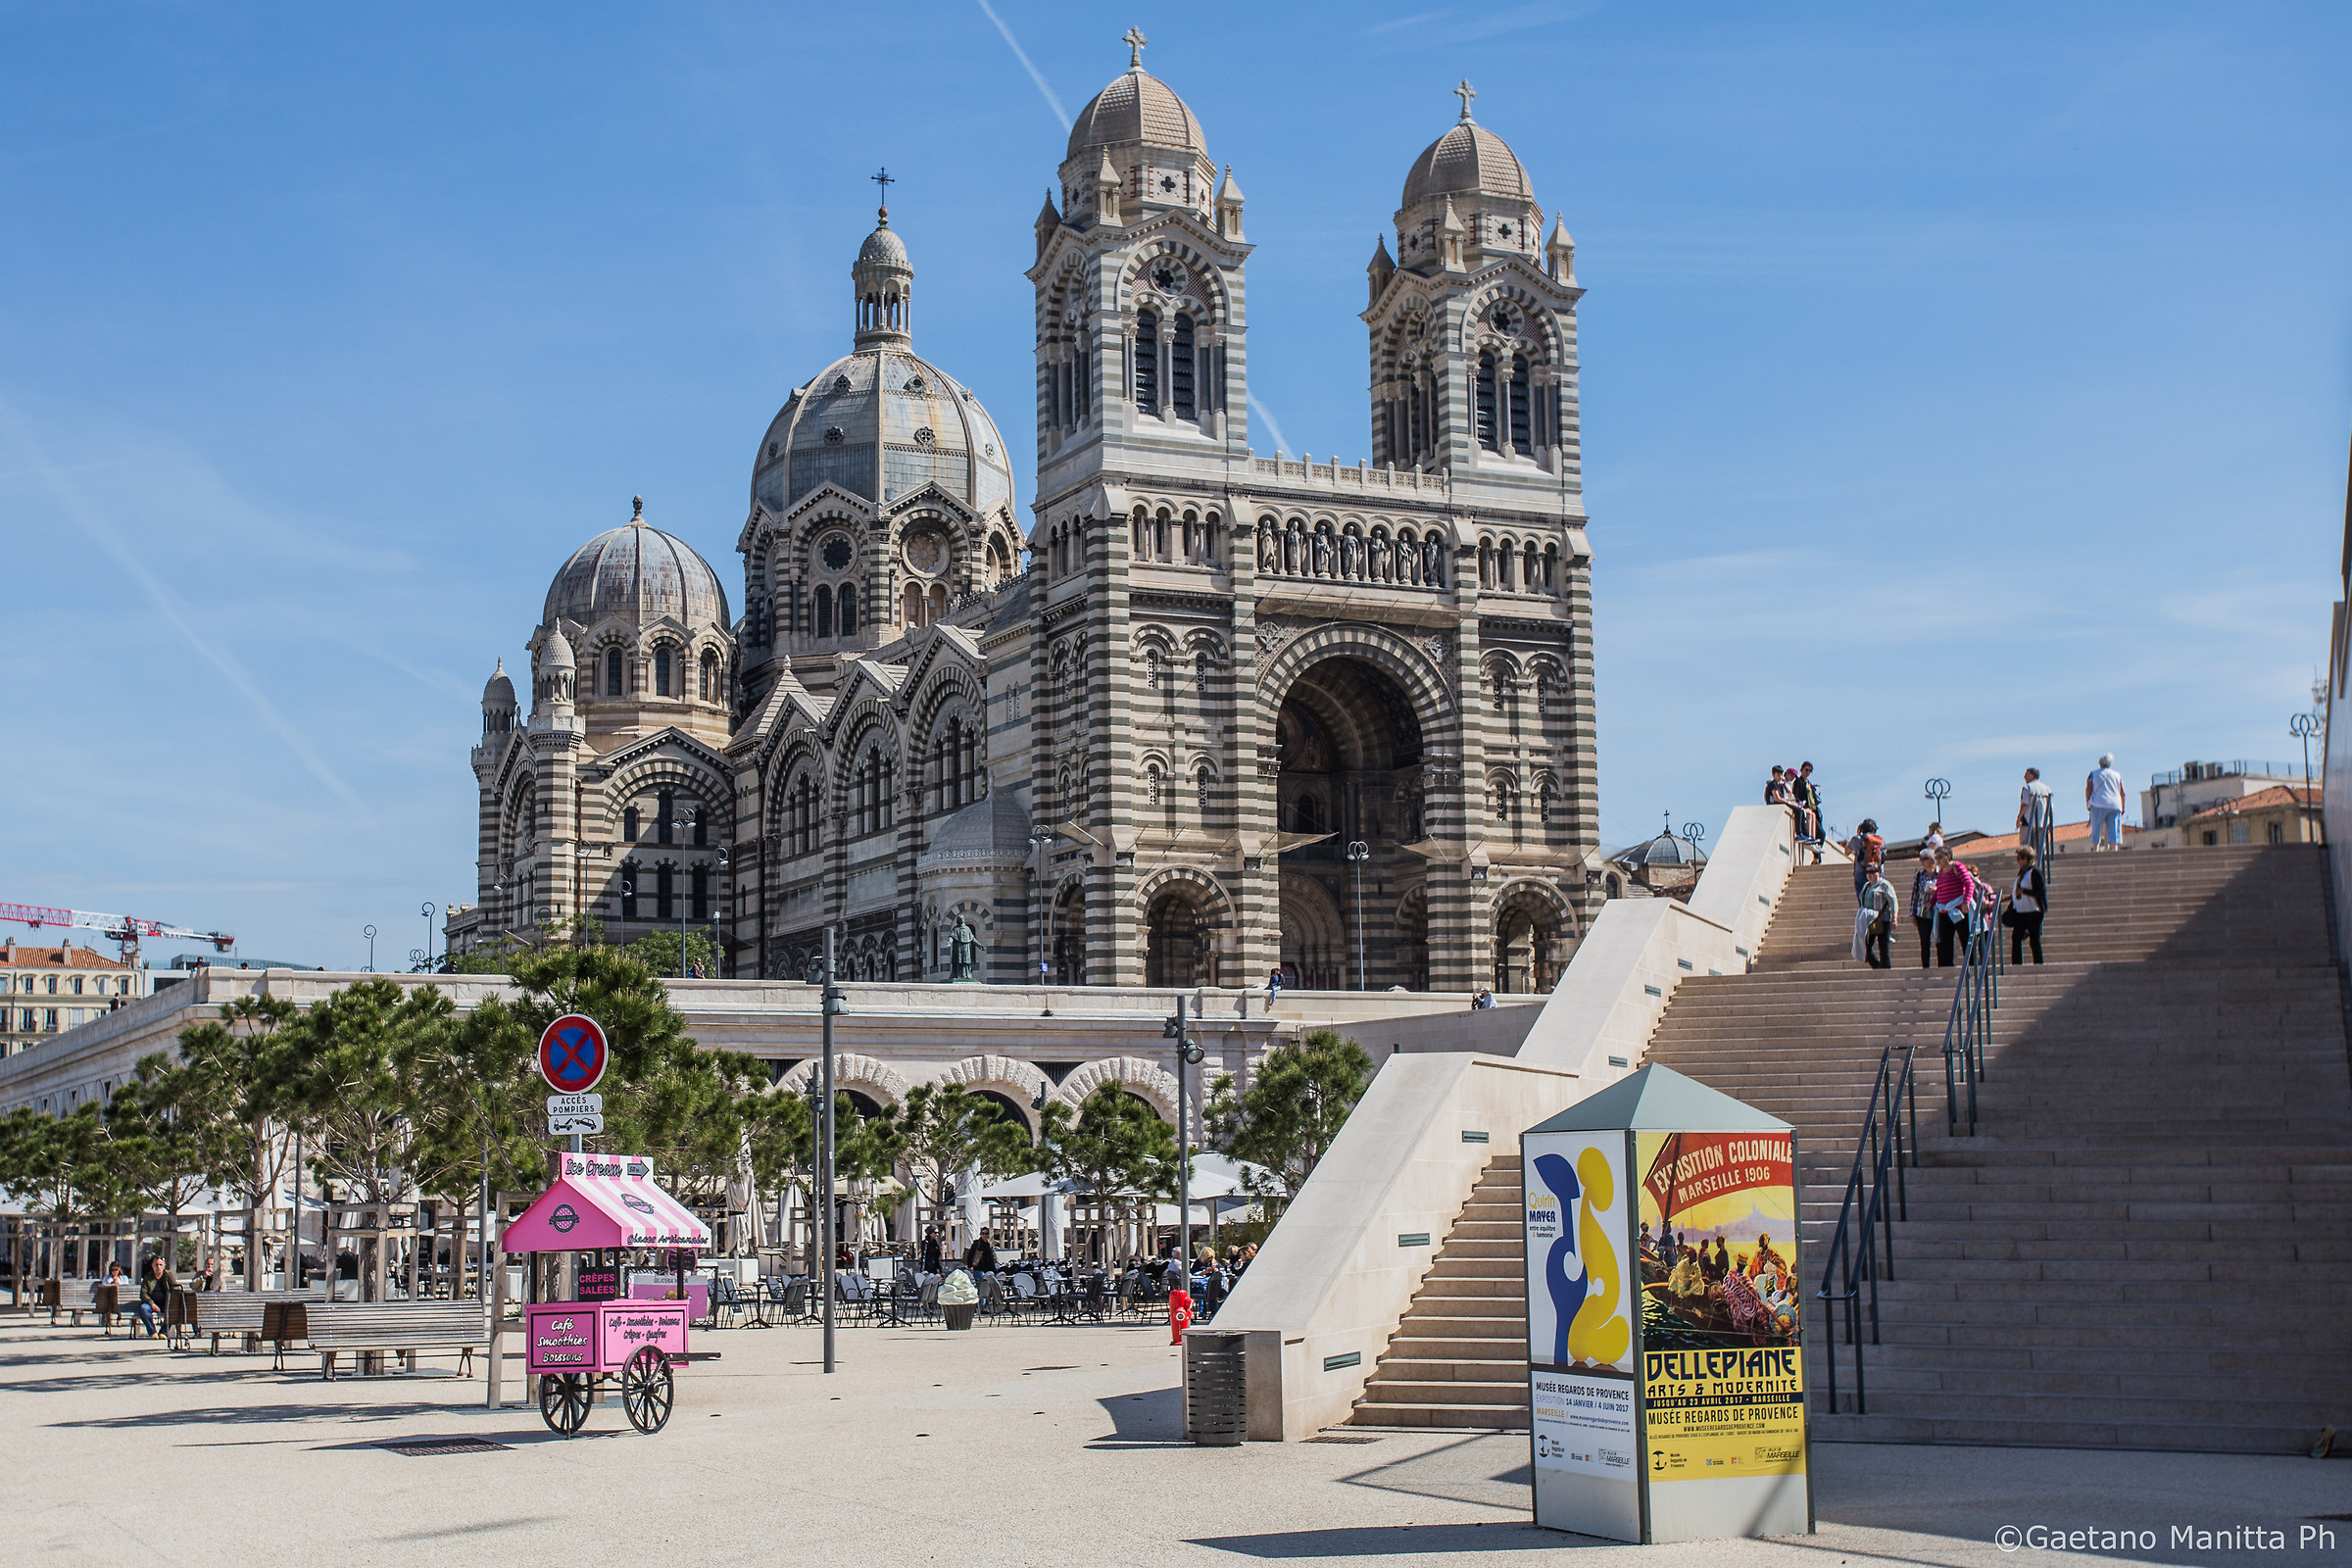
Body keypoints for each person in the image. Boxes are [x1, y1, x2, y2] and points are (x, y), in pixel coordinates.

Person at [1932, 848, 1980, 966]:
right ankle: (1947, 968)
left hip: (1958, 910)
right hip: (1944, 911)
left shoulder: (1957, 867)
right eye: (1935, 857)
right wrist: (1932, 902)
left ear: (1947, 857)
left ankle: (1972, 966)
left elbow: (1969, 884)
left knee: (1965, 939)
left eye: (1939, 857)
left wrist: (1966, 901)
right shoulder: (1941, 872)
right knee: (1945, 942)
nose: (1937, 860)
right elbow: (1939, 890)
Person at [2004, 847, 2048, 964]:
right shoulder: (2021, 873)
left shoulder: (2035, 872)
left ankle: (2038, 964)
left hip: (2034, 911)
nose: (2018, 861)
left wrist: (2024, 891)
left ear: (2027, 859)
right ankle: (2016, 965)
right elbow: (2017, 891)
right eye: (2017, 858)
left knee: (2034, 941)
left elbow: (2040, 892)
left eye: (2021, 858)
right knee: (2016, 937)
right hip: (2020, 912)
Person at [1859, 863, 1898, 969]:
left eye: (1872, 872)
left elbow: (1893, 901)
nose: (1869, 875)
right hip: (1869, 920)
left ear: (1878, 872)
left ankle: (1886, 969)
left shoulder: (1884, 885)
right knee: (1865, 946)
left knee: (1883, 947)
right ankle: (1877, 966)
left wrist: (1894, 918)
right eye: (1867, 872)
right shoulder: (1866, 886)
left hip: (1883, 919)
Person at [2086, 754, 2128, 850]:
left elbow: (2089, 789)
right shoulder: (2117, 775)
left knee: (2096, 827)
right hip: (2115, 804)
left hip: (2098, 803)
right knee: (2114, 828)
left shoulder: (2093, 774)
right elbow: (2122, 792)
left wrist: (2088, 801)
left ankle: (2096, 848)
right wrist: (2123, 806)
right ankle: (2114, 848)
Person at [1907, 853, 1938, 969]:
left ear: (1932, 859)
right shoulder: (1919, 875)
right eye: (1921, 859)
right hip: (1922, 912)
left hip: (1938, 911)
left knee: (1939, 940)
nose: (1922, 862)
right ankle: (1926, 967)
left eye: (1924, 859)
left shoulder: (1940, 874)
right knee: (1924, 941)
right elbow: (1914, 895)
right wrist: (1912, 913)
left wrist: (1936, 890)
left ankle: (1942, 966)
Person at [1846, 818, 1885, 905]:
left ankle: (1865, 915)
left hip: (1861, 873)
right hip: (1877, 873)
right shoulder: (1880, 841)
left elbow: (1846, 852)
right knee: (1878, 902)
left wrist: (1857, 835)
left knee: (1863, 902)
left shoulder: (1856, 839)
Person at [1793, 763, 1825, 861]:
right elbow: (1796, 794)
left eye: (1810, 771)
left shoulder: (1809, 783)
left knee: (1821, 835)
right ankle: (1817, 858)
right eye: (1806, 770)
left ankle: (1817, 858)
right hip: (1808, 810)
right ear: (1801, 770)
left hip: (1814, 811)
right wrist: (1802, 805)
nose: (1808, 772)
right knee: (1820, 834)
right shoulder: (1798, 782)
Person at [2017, 767, 2053, 839]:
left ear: (2032, 775)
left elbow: (2025, 804)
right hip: (2043, 822)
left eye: (2026, 774)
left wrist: (2019, 818)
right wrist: (2051, 821)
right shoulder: (2047, 789)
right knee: (2041, 846)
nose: (2024, 777)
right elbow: (2051, 807)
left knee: (2026, 845)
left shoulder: (2028, 788)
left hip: (2028, 822)